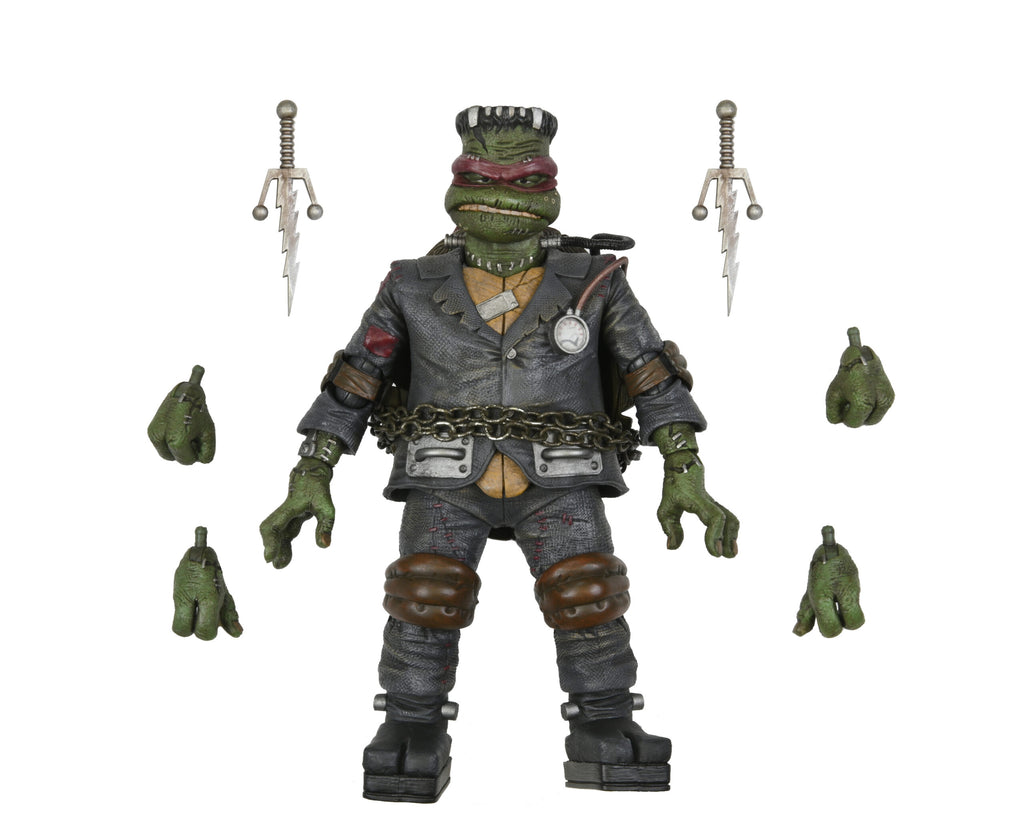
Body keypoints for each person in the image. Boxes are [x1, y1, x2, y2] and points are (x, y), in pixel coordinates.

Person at [260, 105, 739, 801]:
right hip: (444, 474)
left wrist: (685, 470)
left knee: (589, 595)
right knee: (424, 596)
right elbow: (357, 376)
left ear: (550, 187)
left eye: (526, 178)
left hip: (564, 475)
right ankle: (410, 721)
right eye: (482, 176)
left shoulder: (597, 281)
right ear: (457, 182)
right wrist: (312, 471)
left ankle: (605, 719)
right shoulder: (410, 284)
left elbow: (650, 373)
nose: (503, 190)